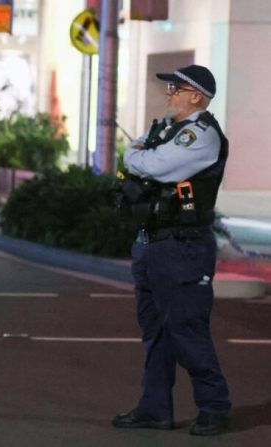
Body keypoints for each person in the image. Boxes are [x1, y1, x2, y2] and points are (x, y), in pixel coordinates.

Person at [113, 64, 231, 436]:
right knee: (156, 332)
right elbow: (139, 164)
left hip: (183, 247)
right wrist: (138, 158)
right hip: (152, 242)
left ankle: (214, 407)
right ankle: (155, 408)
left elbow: (152, 166)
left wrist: (136, 156)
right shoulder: (167, 131)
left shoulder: (200, 135)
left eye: (176, 88)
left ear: (196, 96)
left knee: (186, 329)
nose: (169, 94)